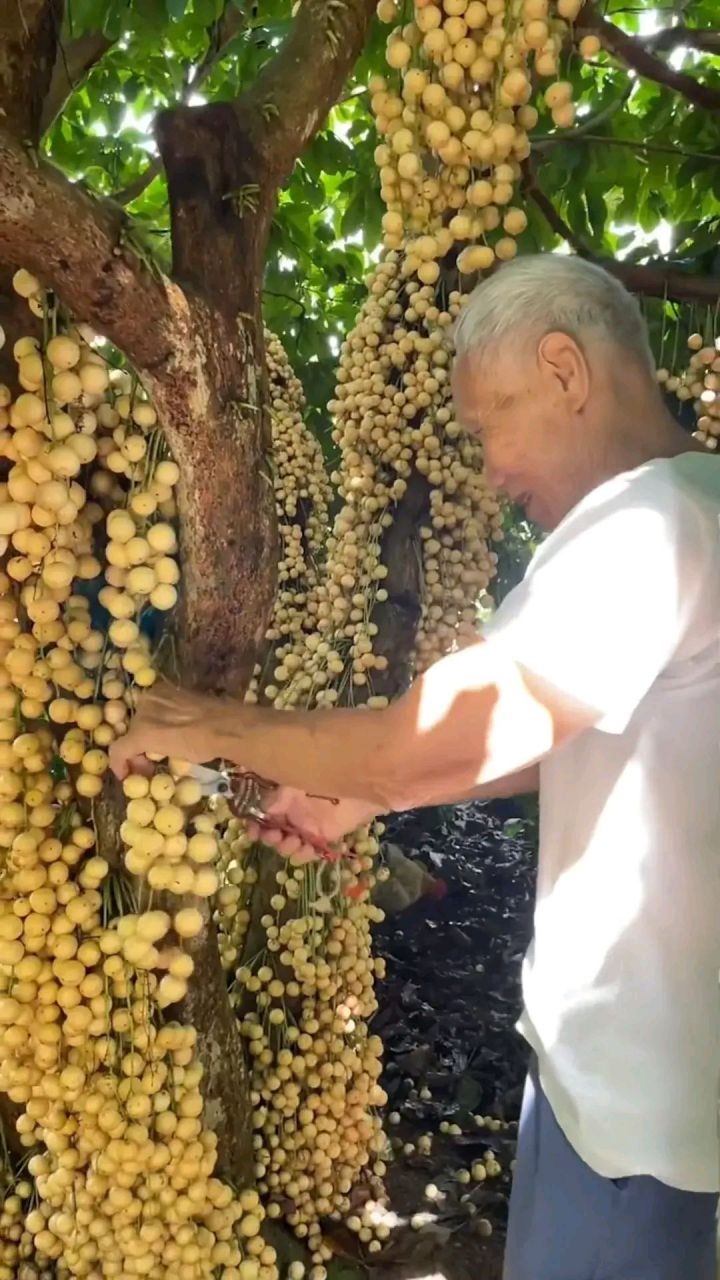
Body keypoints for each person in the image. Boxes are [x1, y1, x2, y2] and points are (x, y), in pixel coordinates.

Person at [110, 254, 720, 1280]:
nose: (487, 468)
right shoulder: (704, 498)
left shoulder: (649, 524)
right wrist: (359, 795)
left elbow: (434, 732)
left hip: (634, 1116)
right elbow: (563, 741)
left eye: (488, 423)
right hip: (630, 1090)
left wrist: (204, 723)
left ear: (565, 369)